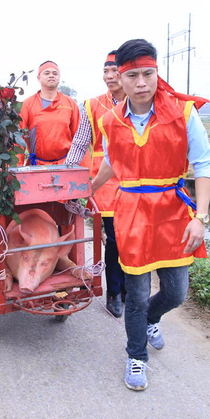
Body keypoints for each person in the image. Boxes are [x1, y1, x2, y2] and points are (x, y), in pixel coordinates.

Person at [90, 39, 210, 391]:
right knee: (137, 292)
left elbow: (204, 163)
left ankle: (151, 319)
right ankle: (135, 356)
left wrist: (200, 217)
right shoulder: (110, 120)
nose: (141, 82)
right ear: (119, 78)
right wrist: (89, 187)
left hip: (174, 211)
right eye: (132, 75)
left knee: (176, 292)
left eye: (148, 73)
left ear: (157, 73)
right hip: (132, 213)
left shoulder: (183, 113)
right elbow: (114, 162)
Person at [65, 50, 127, 318]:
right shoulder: (92, 105)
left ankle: (128, 288)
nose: (110, 76)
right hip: (106, 180)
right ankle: (114, 290)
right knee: (113, 239)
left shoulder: (141, 103)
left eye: (115, 70)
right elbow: (80, 142)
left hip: (138, 179)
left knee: (132, 238)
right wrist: (67, 176)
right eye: (106, 71)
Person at [20, 61, 80, 165]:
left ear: (59, 78)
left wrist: (86, 172)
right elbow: (18, 139)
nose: (51, 75)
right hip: (37, 166)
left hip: (66, 165)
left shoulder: (70, 104)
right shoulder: (27, 104)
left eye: (55, 73)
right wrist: (15, 169)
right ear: (39, 78)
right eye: (47, 73)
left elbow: (80, 139)